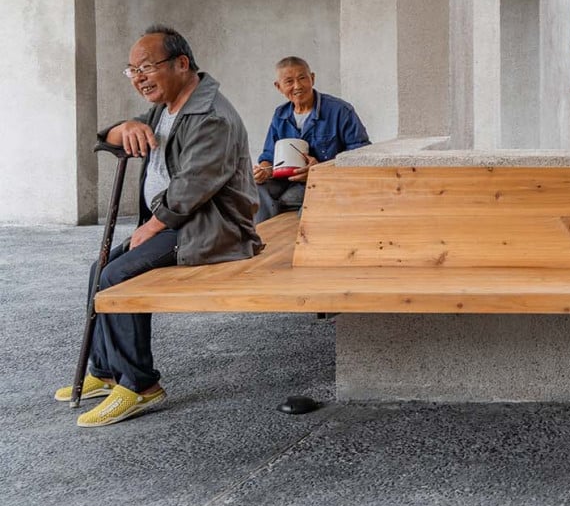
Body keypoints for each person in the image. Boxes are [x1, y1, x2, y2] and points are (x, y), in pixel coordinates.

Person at [57, 26, 262, 427]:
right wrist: (125, 127)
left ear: (182, 64)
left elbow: (191, 189)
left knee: (117, 276)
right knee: (100, 270)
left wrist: (150, 228)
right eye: (132, 70)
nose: (139, 78)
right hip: (175, 223)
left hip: (208, 227)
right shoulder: (166, 107)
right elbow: (112, 136)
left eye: (147, 67)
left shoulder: (211, 116)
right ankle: (106, 370)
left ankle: (139, 384)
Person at [252, 56, 370, 222]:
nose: (297, 86)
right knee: (256, 188)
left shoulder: (340, 110)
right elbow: (268, 156)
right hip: (287, 182)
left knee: (311, 207)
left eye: (302, 78)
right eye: (289, 81)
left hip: (326, 182)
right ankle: (263, 235)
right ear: (278, 87)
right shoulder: (280, 115)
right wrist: (263, 171)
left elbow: (361, 154)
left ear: (312, 78)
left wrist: (320, 170)